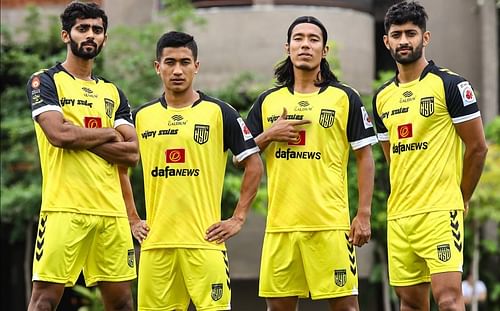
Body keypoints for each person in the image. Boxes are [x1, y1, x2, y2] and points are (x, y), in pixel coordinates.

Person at [243, 16, 377, 311]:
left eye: (313, 39)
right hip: (281, 227)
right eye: (299, 38)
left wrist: (363, 214)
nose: (305, 44)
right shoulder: (267, 102)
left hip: (330, 225)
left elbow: (365, 156)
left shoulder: (345, 98)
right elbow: (242, 159)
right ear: (287, 47)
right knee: (278, 308)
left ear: (324, 50)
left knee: (347, 308)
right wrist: (269, 135)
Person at [130, 31, 263, 311]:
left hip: (205, 243)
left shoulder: (220, 112)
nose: (177, 70)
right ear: (158, 67)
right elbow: (119, 168)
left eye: (185, 62)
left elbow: (253, 164)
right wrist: (132, 218)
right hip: (156, 246)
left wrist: (238, 219)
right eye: (169, 62)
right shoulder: (140, 117)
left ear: (196, 66)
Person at [372, 1, 488, 310]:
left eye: (411, 33)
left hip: (439, 211)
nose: (404, 41)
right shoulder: (382, 97)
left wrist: (460, 196)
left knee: (449, 300)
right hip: (399, 215)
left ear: (425, 38)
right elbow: (392, 157)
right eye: (396, 35)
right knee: (409, 304)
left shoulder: (451, 85)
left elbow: (478, 148)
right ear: (387, 41)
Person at [26, 2, 139, 311]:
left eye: (97, 30)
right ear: (66, 35)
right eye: (83, 29)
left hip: (111, 211)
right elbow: (58, 135)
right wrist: (108, 133)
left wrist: (80, 135)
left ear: (104, 38)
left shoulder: (113, 92)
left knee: (122, 303)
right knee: (44, 301)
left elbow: (132, 153)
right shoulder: (45, 81)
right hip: (64, 208)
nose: (90, 35)